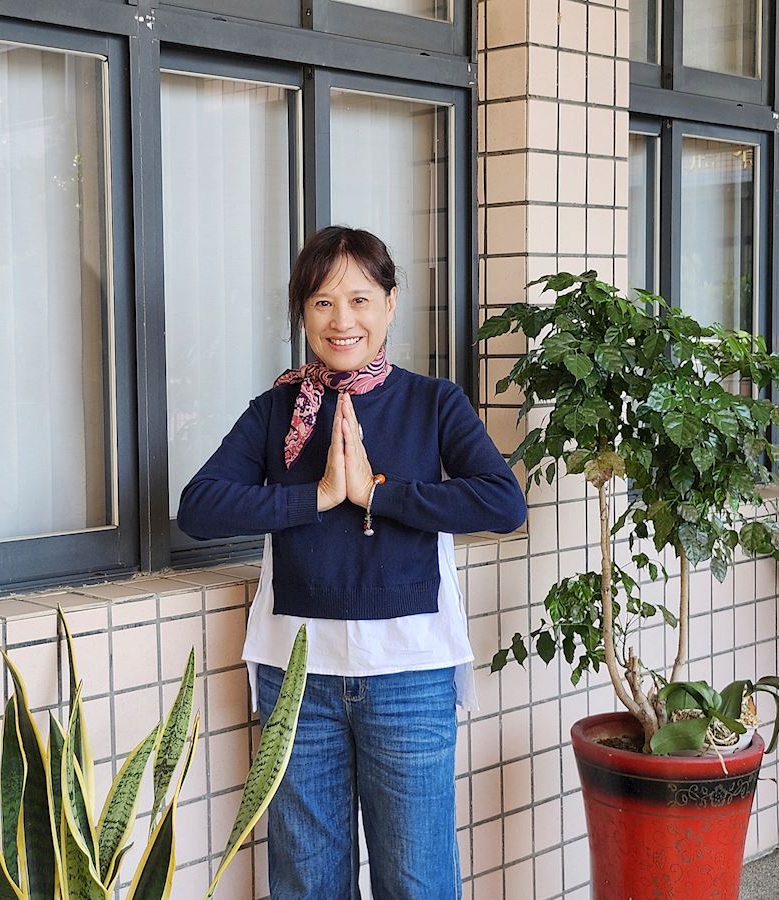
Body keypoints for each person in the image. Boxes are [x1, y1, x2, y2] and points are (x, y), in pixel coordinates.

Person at [177, 226, 527, 899]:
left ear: (390, 304)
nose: (342, 321)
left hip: (410, 673)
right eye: (322, 303)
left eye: (360, 299)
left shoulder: (433, 403)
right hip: (296, 678)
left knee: (416, 882)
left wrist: (377, 495)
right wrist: (315, 497)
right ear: (302, 314)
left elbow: (502, 502)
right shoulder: (277, 410)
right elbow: (200, 507)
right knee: (307, 883)